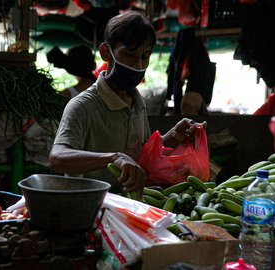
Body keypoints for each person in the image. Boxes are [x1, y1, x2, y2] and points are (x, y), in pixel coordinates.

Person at [49, 11, 204, 197]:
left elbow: (140, 154)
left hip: (129, 205)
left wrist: (170, 138)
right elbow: (57, 158)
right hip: (89, 208)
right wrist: (114, 158)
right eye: (129, 55)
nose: (138, 65)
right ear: (106, 53)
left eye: (145, 56)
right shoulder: (83, 105)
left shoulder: (138, 104)